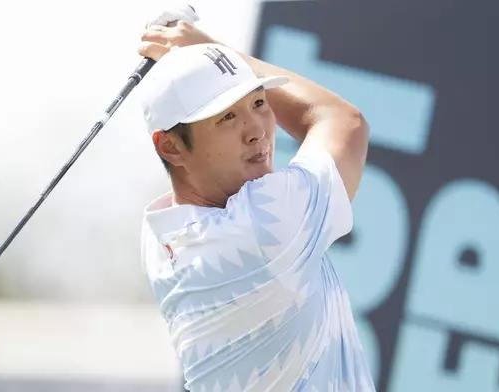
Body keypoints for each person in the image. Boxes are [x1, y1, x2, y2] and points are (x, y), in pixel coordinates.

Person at [136, 9, 375, 392]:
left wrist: (213, 63)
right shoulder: (263, 225)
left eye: (259, 103)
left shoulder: (161, 235)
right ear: (171, 146)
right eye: (227, 116)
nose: (257, 132)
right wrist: (210, 48)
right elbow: (344, 121)